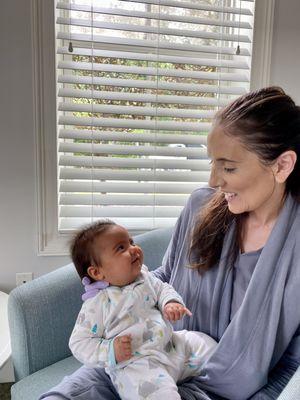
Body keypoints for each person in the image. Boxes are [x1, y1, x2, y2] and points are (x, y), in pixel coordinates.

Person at [40, 86, 300, 400]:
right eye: (212, 163)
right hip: (150, 352)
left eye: (229, 167)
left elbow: (292, 364)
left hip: (224, 386)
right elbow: (162, 278)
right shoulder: (200, 208)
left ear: (282, 165)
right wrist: (115, 303)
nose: (213, 181)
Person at [68, 220, 217, 400]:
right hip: (138, 364)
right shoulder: (98, 304)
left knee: (205, 343)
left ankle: (226, 378)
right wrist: (110, 351)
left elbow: (162, 289)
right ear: (97, 273)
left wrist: (170, 302)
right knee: (157, 393)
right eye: (121, 248)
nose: (133, 249)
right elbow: (79, 342)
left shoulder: (144, 277)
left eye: (131, 242)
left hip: (172, 345)